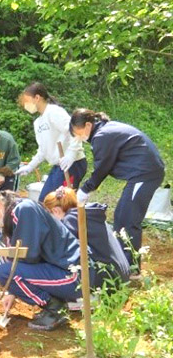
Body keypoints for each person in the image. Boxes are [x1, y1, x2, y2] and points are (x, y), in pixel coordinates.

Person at [0, 188, 81, 330]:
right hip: (60, 270)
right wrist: (12, 291)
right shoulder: (12, 218)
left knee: (5, 272)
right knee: (8, 270)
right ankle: (55, 304)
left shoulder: (24, 210)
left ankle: (55, 309)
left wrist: (13, 286)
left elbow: (28, 256)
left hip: (75, 276)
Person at [70, 109, 165, 270]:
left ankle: (131, 268)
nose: (78, 137)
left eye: (78, 132)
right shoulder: (104, 130)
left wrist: (85, 190)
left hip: (145, 173)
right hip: (142, 173)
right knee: (121, 216)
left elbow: (102, 168)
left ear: (87, 125)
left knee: (128, 219)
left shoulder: (102, 136)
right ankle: (125, 264)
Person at [43, 187, 130, 289]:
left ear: (56, 211)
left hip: (108, 281)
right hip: (121, 274)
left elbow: (64, 255)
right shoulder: (88, 214)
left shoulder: (70, 221)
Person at [16, 82, 87, 202]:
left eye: (27, 101)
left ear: (37, 98)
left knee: (60, 203)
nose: (25, 105)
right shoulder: (38, 122)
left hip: (73, 164)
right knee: (45, 201)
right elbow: (43, 150)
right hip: (59, 166)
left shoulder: (54, 112)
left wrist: (71, 155)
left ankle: (72, 220)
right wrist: (30, 166)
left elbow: (75, 132)